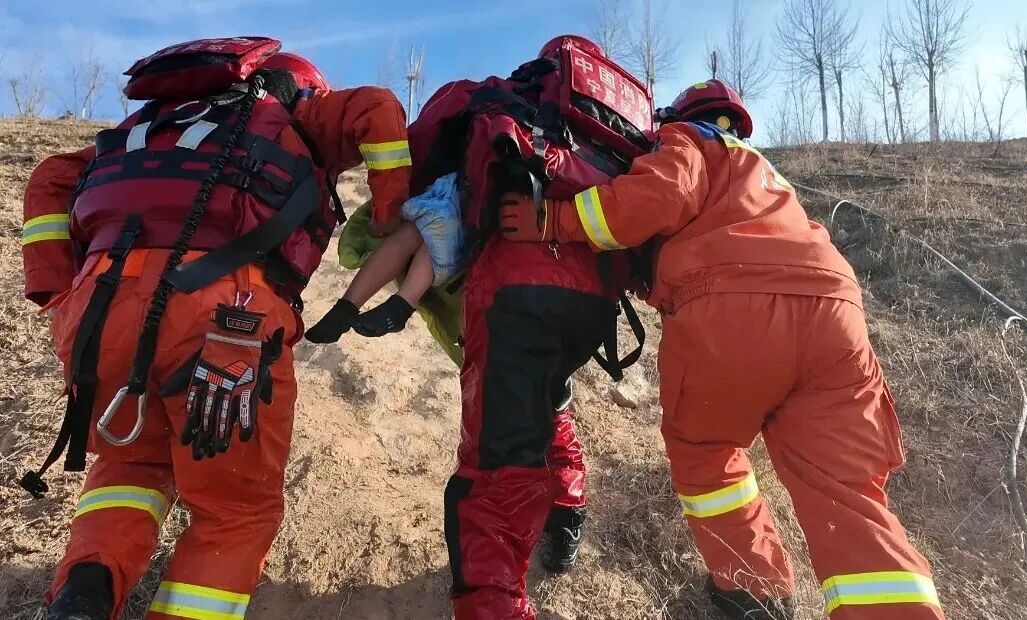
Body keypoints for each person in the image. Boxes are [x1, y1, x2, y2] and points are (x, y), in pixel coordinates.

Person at [498, 79, 944, 620]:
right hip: (836, 316)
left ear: (679, 117)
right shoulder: (764, 171)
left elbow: (657, 196)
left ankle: (752, 590)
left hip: (733, 310)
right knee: (848, 493)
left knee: (706, 451)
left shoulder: (687, 140)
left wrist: (554, 220)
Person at [20, 39, 411, 620]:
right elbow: (376, 106)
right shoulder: (297, 112)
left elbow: (51, 176)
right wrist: (388, 215)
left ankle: (84, 592)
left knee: (129, 467)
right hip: (228, 315)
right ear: (299, 87)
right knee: (235, 510)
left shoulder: (146, 129)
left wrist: (56, 287)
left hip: (97, 315)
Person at [409, 35, 654, 619]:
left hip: (516, 289)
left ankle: (495, 603)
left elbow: (426, 136)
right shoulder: (624, 133)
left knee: (497, 466)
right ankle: (566, 513)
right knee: (551, 397)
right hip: (594, 303)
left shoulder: (507, 92)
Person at [304, 173, 464, 343]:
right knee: (413, 229)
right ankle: (343, 310)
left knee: (438, 231)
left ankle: (400, 307)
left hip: (473, 207)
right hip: (463, 184)